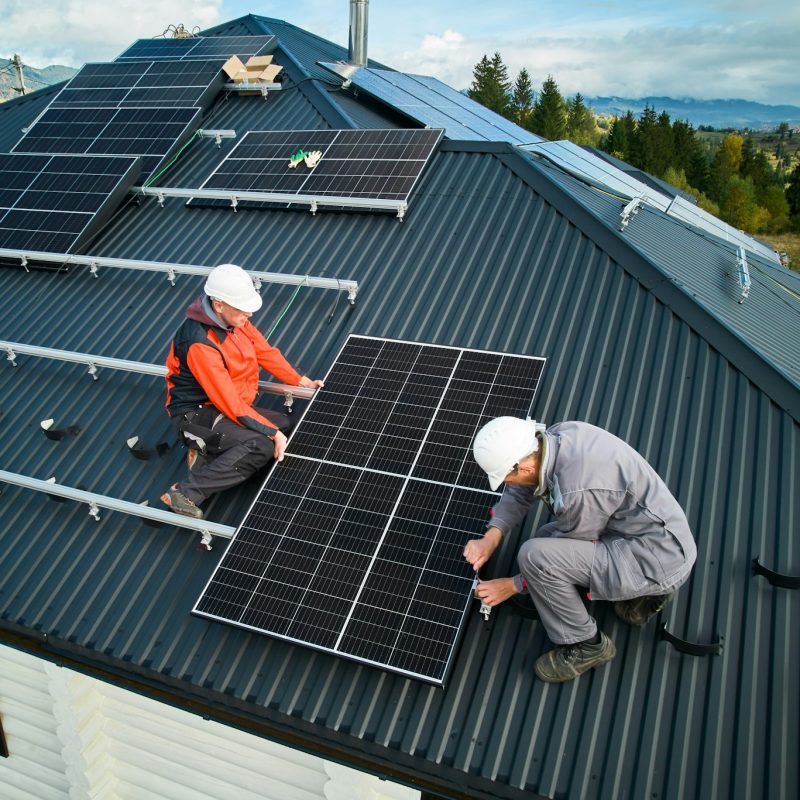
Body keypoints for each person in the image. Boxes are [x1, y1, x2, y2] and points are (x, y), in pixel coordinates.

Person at [464, 417, 696, 683]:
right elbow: (521, 490)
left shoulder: (577, 490)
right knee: (544, 541)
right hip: (654, 535)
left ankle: (588, 645)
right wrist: (492, 537)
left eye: (506, 477)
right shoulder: (554, 438)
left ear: (525, 467)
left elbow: (561, 554)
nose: (507, 483)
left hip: (657, 558)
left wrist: (512, 585)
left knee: (535, 556)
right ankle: (645, 596)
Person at [161, 263, 323, 519]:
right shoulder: (199, 343)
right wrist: (272, 434)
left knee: (283, 422)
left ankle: (208, 448)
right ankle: (186, 493)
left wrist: (300, 380)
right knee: (261, 445)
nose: (249, 313)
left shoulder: (236, 320)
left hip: (221, 407)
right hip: (195, 415)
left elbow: (264, 352)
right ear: (219, 305)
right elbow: (230, 404)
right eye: (243, 307)